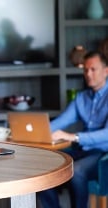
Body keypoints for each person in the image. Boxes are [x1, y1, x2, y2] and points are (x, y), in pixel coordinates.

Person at [37, 51, 108, 208]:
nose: (88, 74)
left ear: (106, 71)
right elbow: (61, 121)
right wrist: (38, 132)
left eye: (93, 69)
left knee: (76, 171)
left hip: (103, 155)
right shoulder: (82, 98)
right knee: (42, 168)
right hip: (81, 150)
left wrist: (74, 136)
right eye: (85, 70)